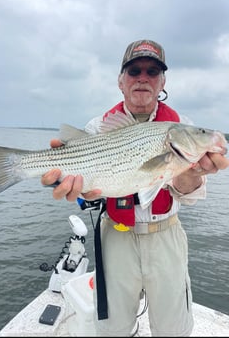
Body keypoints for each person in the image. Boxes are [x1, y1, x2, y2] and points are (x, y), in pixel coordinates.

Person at [41, 40, 229, 336]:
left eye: (152, 71)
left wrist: (192, 173)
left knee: (173, 330)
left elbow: (184, 190)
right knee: (112, 329)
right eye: (134, 70)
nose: (143, 77)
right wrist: (76, 187)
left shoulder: (181, 126)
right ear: (120, 80)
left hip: (166, 235)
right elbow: (89, 188)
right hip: (115, 238)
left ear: (162, 81)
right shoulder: (98, 126)